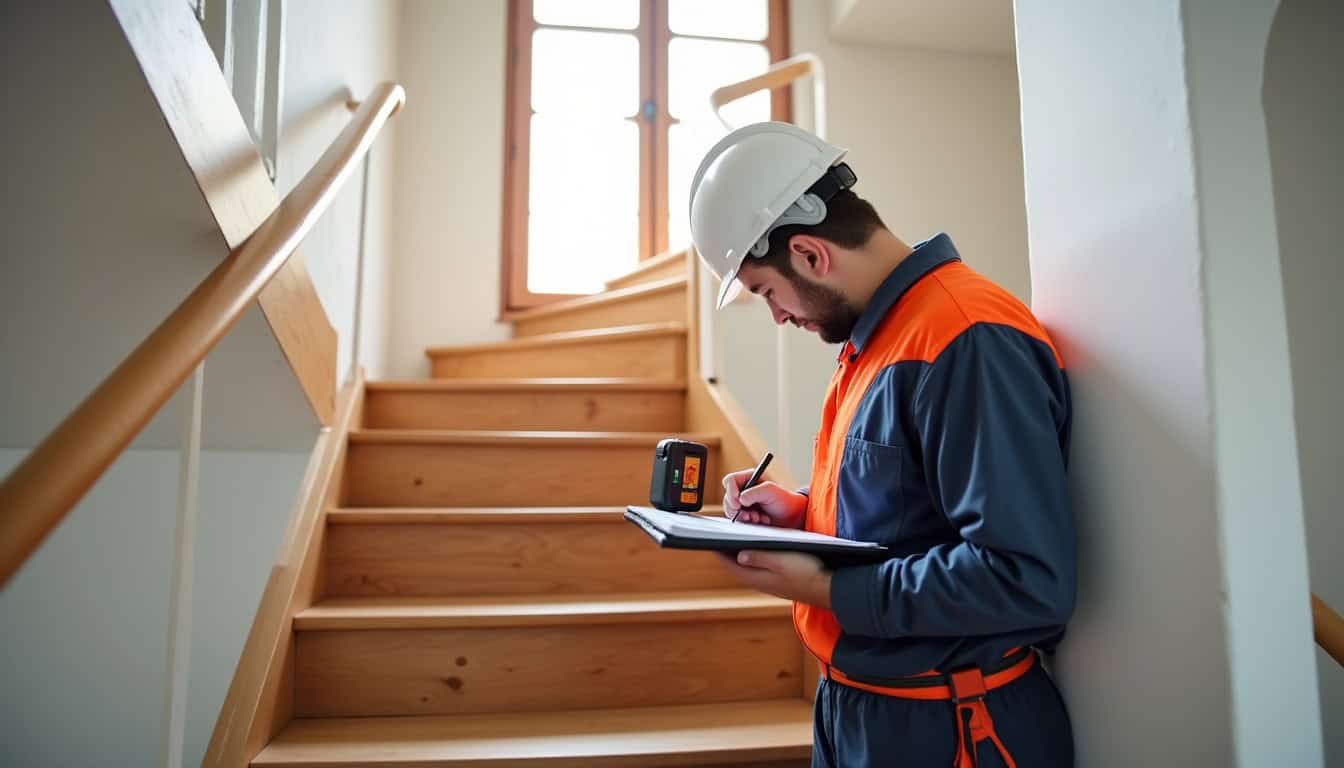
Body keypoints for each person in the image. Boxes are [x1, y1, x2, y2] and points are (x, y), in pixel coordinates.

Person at [689, 122, 1076, 767]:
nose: (779, 316)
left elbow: (1023, 579)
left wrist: (824, 589)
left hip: (949, 727)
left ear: (810, 255)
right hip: (863, 712)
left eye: (766, 293)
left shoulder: (965, 337)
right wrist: (803, 512)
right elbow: (913, 506)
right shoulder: (878, 339)